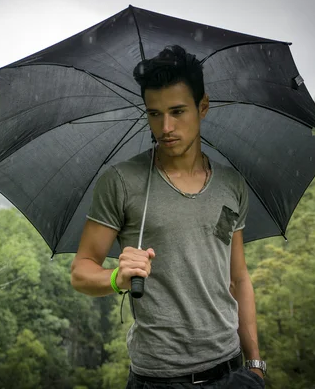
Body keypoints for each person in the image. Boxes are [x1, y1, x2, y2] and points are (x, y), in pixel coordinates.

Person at [70, 45, 266, 388]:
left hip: (232, 369)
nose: (166, 126)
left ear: (202, 106)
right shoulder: (121, 182)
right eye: (155, 113)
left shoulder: (232, 184)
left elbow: (239, 279)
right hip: (159, 378)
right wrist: (118, 277)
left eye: (177, 111)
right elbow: (81, 271)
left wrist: (255, 365)